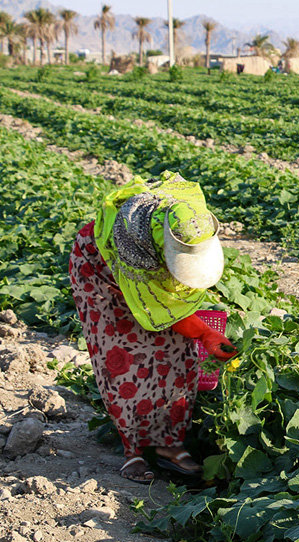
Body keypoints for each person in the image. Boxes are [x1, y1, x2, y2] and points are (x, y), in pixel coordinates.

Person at [68, 172, 237, 484]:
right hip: (101, 272)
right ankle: (132, 450)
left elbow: (172, 305)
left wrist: (201, 334)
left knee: (178, 352)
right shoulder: (137, 249)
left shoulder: (191, 220)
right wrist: (203, 332)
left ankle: (169, 446)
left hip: (147, 267)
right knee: (123, 356)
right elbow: (164, 309)